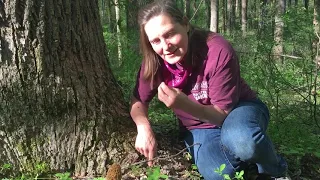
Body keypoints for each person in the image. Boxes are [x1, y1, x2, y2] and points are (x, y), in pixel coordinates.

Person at [130, 0, 289, 179]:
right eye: (156, 41)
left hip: (237, 109)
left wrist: (185, 105)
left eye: (171, 34)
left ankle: (273, 169)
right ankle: (246, 158)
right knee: (218, 174)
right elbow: (138, 101)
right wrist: (143, 127)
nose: (166, 46)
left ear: (185, 23)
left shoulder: (216, 50)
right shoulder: (154, 62)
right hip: (199, 128)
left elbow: (221, 115)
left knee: (243, 140)